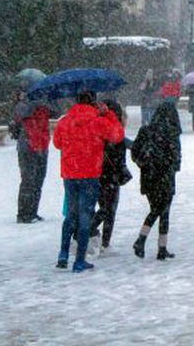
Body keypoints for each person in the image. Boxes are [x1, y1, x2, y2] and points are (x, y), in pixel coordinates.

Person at [53, 90, 125, 272]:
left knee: (71, 215)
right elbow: (118, 135)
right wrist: (107, 113)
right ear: (93, 102)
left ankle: (63, 253)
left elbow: (57, 143)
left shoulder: (65, 121)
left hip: (70, 174)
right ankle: (79, 261)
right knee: (85, 216)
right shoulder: (97, 121)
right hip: (90, 174)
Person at [131, 100, 182, 260]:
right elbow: (176, 158)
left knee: (156, 209)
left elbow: (134, 153)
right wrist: (170, 166)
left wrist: (145, 165)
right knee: (162, 211)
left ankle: (156, 245)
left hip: (148, 177)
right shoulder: (172, 132)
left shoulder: (145, 130)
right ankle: (148, 242)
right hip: (165, 177)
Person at [89, 99, 131, 255]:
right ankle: (103, 242)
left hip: (97, 172)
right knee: (109, 209)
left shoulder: (97, 124)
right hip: (111, 174)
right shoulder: (113, 128)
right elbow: (122, 146)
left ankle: (93, 233)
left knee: (103, 207)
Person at [11, 89, 52, 222]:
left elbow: (55, 111)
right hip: (27, 146)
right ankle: (23, 214)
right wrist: (34, 102)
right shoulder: (22, 104)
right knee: (28, 180)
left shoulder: (45, 104)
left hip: (42, 145)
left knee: (39, 179)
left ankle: (33, 211)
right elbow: (22, 113)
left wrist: (46, 101)